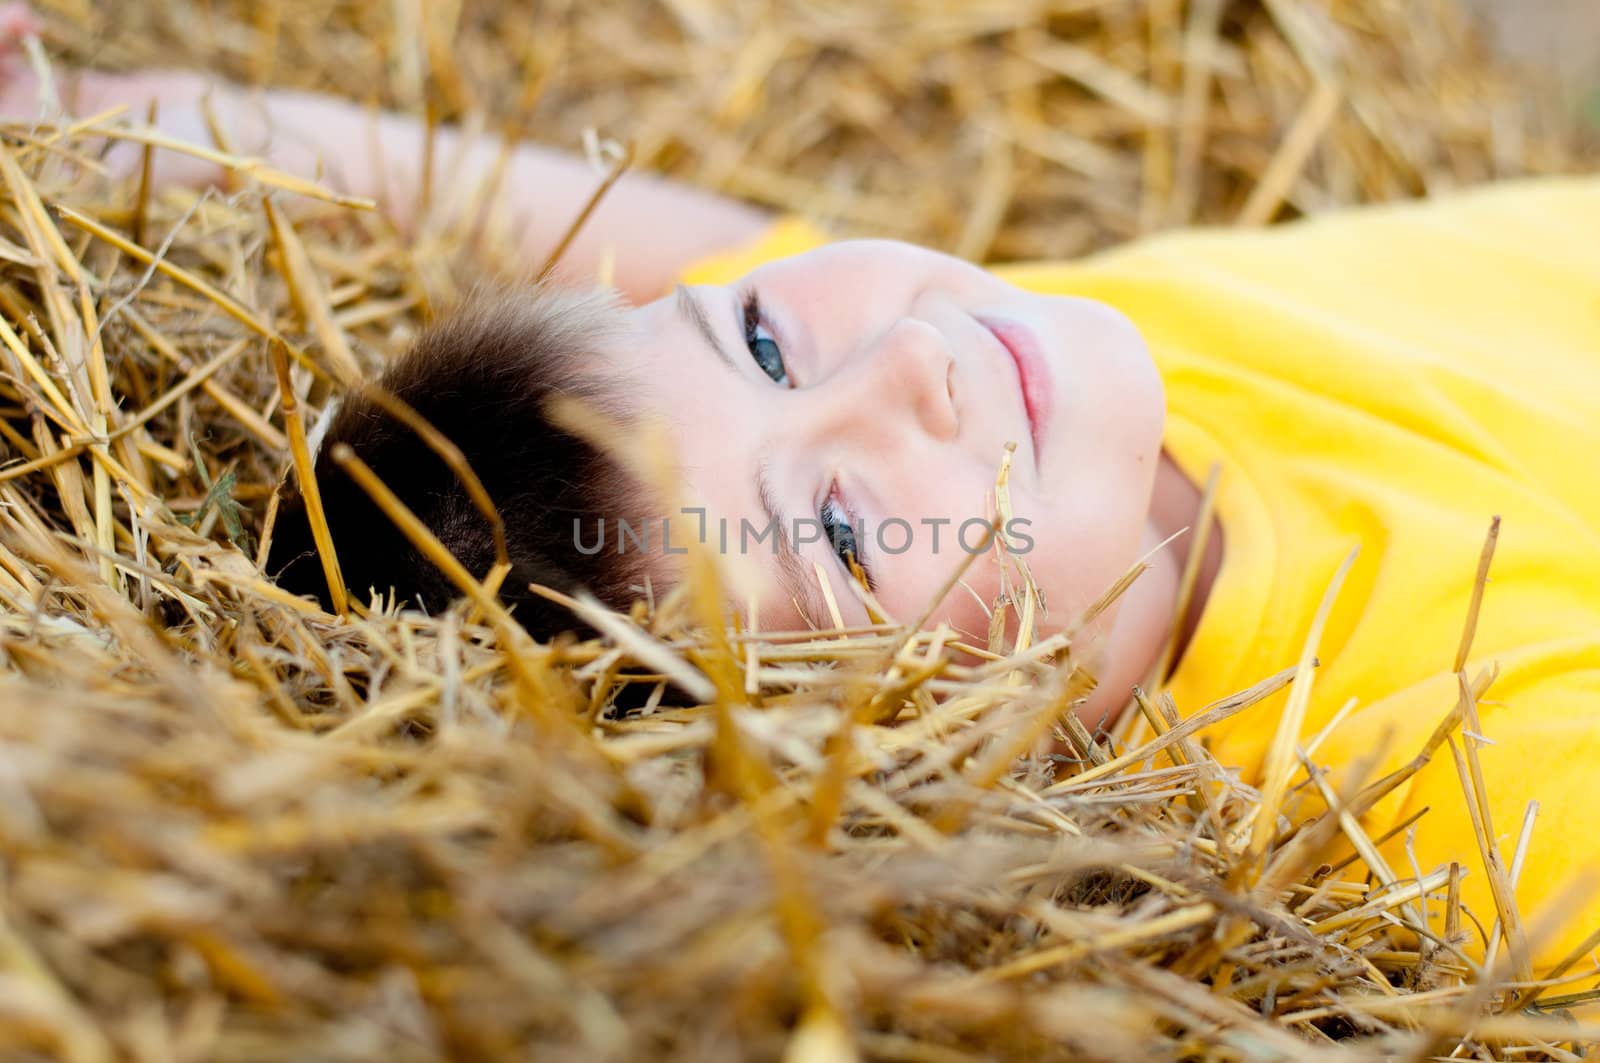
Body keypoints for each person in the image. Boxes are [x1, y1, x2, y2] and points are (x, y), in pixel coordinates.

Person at [7, 35, 1600, 980]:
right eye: (839, 530)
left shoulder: (1028, 382)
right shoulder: (1475, 793)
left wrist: (171, 124)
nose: (902, 359)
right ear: (901, 770)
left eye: (762, 333)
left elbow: (643, 246)